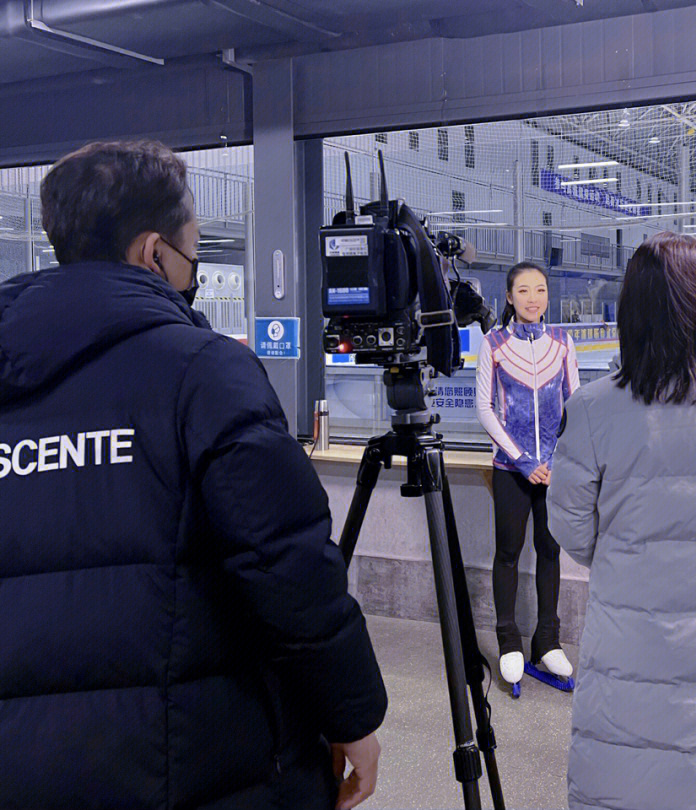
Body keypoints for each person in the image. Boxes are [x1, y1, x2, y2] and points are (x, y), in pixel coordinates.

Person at [0, 141, 387, 810]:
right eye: (193, 249)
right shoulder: (204, 371)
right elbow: (285, 566)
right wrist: (352, 714)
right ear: (155, 254)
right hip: (194, 761)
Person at [548, 232, 696, 810]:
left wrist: (626, 555)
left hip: (626, 643)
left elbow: (571, 529)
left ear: (630, 311)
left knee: (625, 780)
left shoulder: (591, 407)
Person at [475, 261, 580, 688]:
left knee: (551, 551)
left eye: (539, 290)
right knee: (508, 552)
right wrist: (521, 459)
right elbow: (485, 409)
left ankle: (548, 642)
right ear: (509, 297)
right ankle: (508, 643)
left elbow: (575, 405)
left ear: (547, 297)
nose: (532, 298)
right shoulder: (493, 343)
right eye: (523, 291)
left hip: (554, 471)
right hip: (511, 469)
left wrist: (557, 461)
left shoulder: (562, 342)